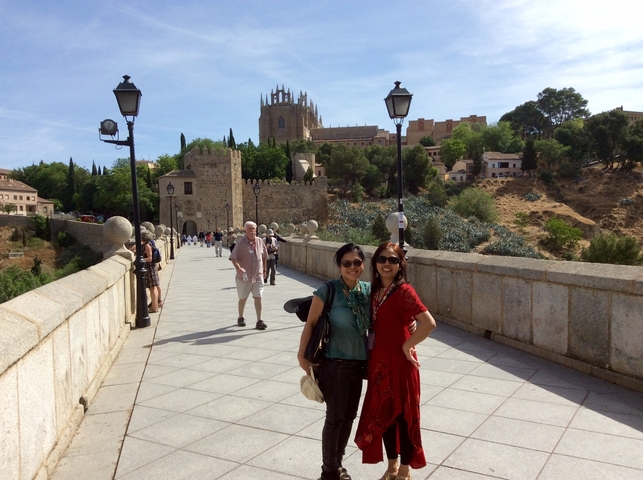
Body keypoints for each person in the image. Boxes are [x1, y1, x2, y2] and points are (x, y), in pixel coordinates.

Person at [355, 242, 436, 480]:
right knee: (385, 417)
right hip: (380, 363)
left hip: (401, 363)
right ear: (375, 263)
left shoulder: (404, 291)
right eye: (382, 259)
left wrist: (408, 344)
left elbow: (429, 322)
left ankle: (404, 470)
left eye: (393, 260)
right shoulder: (373, 291)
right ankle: (391, 467)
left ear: (401, 264)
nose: (387, 264)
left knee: (404, 416)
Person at [297, 243, 371, 480]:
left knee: (349, 417)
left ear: (363, 265)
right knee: (335, 417)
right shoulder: (327, 291)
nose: (352, 267)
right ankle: (328, 471)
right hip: (334, 363)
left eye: (357, 263)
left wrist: (410, 324)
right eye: (346, 263)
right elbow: (310, 323)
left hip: (359, 364)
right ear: (339, 266)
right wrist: (302, 356)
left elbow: (390, 315)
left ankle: (337, 465)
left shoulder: (369, 292)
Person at [229, 221, 268, 330]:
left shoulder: (260, 241)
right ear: (245, 231)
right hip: (244, 277)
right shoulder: (241, 243)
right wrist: (238, 268)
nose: (252, 231)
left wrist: (264, 270)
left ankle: (259, 320)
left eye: (254, 229)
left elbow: (264, 256)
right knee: (243, 298)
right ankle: (241, 317)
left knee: (258, 297)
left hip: (258, 276)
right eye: (250, 229)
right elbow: (233, 258)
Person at [141, 230, 161, 312]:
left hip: (150, 268)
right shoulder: (151, 243)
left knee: (152, 288)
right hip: (152, 267)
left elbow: (150, 258)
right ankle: (155, 305)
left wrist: (141, 259)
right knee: (154, 288)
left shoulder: (147, 245)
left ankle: (154, 307)